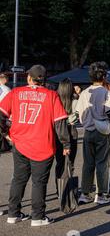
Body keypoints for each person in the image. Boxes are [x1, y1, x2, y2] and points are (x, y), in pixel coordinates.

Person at [0, 65, 70, 226]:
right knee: (39, 182)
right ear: (43, 80)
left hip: (20, 142)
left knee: (18, 179)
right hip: (42, 144)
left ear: (29, 77)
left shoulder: (15, 93)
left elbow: (1, 115)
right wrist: (66, 143)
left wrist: (5, 133)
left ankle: (13, 213)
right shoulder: (51, 95)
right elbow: (60, 123)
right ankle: (37, 216)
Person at [76, 62, 110, 205]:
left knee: (88, 163)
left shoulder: (84, 93)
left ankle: (85, 193)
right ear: (104, 76)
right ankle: (101, 194)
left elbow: (78, 113)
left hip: (88, 131)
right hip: (102, 131)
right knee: (102, 163)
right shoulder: (105, 92)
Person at [55, 79, 79, 191]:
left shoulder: (55, 100)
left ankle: (59, 188)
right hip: (71, 133)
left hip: (58, 134)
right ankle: (67, 187)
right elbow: (76, 118)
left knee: (59, 162)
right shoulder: (74, 101)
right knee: (70, 162)